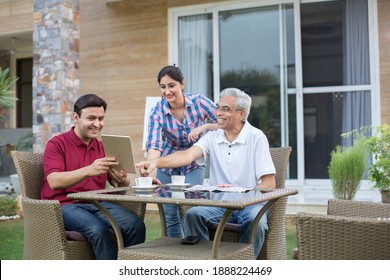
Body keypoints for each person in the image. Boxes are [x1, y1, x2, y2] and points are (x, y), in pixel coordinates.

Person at [137, 88, 276, 258]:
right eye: (218, 108)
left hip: (249, 205)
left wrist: (241, 191)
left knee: (256, 222)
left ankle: (245, 264)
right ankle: (206, 262)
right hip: (220, 205)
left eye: (225, 109)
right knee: (192, 215)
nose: (218, 113)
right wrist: (155, 163)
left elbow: (269, 183)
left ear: (241, 114)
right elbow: (186, 156)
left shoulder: (256, 137)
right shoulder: (213, 136)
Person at [40, 93, 146, 260]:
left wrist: (122, 180)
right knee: (98, 230)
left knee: (136, 225)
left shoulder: (104, 147)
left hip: (96, 203)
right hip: (63, 205)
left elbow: (120, 188)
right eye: (91, 118)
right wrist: (89, 170)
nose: (97, 124)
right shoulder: (57, 144)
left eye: (101, 118)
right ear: (76, 117)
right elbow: (54, 181)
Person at [145, 65, 218, 237]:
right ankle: (176, 255)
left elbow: (224, 124)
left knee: (193, 210)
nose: (167, 91)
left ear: (182, 84)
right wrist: (150, 170)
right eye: (163, 87)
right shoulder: (157, 112)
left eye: (172, 86)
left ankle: (197, 252)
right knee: (170, 213)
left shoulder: (199, 102)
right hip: (169, 161)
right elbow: (155, 145)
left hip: (194, 160)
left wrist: (204, 127)